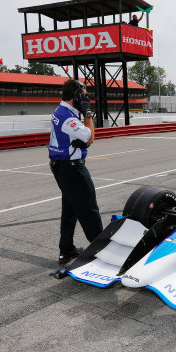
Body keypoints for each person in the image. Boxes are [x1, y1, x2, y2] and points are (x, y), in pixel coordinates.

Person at [49, 79, 103, 265]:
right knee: (89, 207)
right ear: (77, 96)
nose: (86, 97)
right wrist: (88, 114)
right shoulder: (68, 117)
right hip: (71, 168)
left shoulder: (61, 110)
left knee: (70, 208)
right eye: (84, 94)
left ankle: (66, 249)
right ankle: (101, 250)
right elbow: (90, 137)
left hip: (61, 166)